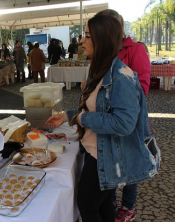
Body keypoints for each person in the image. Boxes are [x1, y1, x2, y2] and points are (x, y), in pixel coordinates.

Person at [46, 15, 159, 222]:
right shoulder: (98, 70)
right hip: (96, 150)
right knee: (104, 204)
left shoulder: (121, 76)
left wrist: (82, 119)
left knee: (87, 206)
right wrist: (67, 116)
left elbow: (124, 123)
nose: (81, 40)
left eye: (87, 36)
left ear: (102, 39)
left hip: (106, 155)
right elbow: (98, 108)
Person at [96, 9, 151, 222]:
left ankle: (128, 206)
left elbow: (142, 86)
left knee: (130, 162)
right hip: (108, 119)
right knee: (109, 157)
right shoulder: (105, 52)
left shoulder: (135, 50)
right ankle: (110, 202)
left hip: (129, 119)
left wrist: (115, 95)